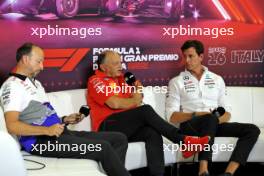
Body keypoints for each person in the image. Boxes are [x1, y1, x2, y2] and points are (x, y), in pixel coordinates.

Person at [0, 43, 132, 176]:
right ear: (25, 59)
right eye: (39, 61)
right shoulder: (12, 86)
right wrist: (47, 130)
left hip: (59, 134)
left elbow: (43, 116)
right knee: (103, 148)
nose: (42, 66)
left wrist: (64, 119)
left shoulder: (35, 83)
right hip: (40, 143)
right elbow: (12, 125)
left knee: (119, 139)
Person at [87, 50, 210, 176]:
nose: (121, 66)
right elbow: (115, 103)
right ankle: (183, 141)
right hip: (106, 126)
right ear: (103, 67)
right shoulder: (95, 80)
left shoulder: (123, 79)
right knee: (145, 110)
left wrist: (135, 95)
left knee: (152, 133)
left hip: (126, 126)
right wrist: (134, 98)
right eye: (115, 63)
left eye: (120, 62)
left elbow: (137, 100)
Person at [165, 40, 260, 176]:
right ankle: (203, 170)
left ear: (201, 57)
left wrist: (213, 120)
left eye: (191, 56)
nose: (187, 60)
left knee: (252, 129)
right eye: (184, 56)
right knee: (209, 118)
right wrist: (196, 114)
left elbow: (227, 113)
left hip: (213, 124)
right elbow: (171, 116)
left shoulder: (217, 79)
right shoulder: (176, 82)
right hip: (190, 125)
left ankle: (228, 173)